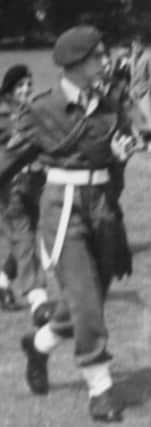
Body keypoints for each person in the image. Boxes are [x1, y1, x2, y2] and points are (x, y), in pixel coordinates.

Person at [0, 25, 139, 422]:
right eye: (98, 57)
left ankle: (39, 345)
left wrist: (120, 155)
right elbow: (7, 163)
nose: (105, 62)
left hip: (103, 209)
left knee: (86, 300)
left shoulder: (111, 103)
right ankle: (100, 388)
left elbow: (116, 163)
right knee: (87, 303)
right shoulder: (42, 109)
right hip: (62, 210)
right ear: (76, 64)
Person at [0, 65, 50, 317]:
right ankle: (37, 299)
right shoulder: (4, 115)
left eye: (29, 85)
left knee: (24, 237)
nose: (26, 90)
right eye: (20, 86)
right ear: (9, 91)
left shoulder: (30, 112)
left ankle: (2, 282)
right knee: (24, 239)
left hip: (32, 184)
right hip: (9, 190)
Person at [130, 34, 151, 152]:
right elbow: (132, 77)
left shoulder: (150, 57)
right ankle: (141, 142)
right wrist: (132, 91)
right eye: (132, 46)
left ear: (142, 45)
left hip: (145, 94)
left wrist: (142, 90)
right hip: (133, 93)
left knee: (149, 119)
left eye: (136, 46)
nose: (134, 48)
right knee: (137, 120)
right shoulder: (132, 58)